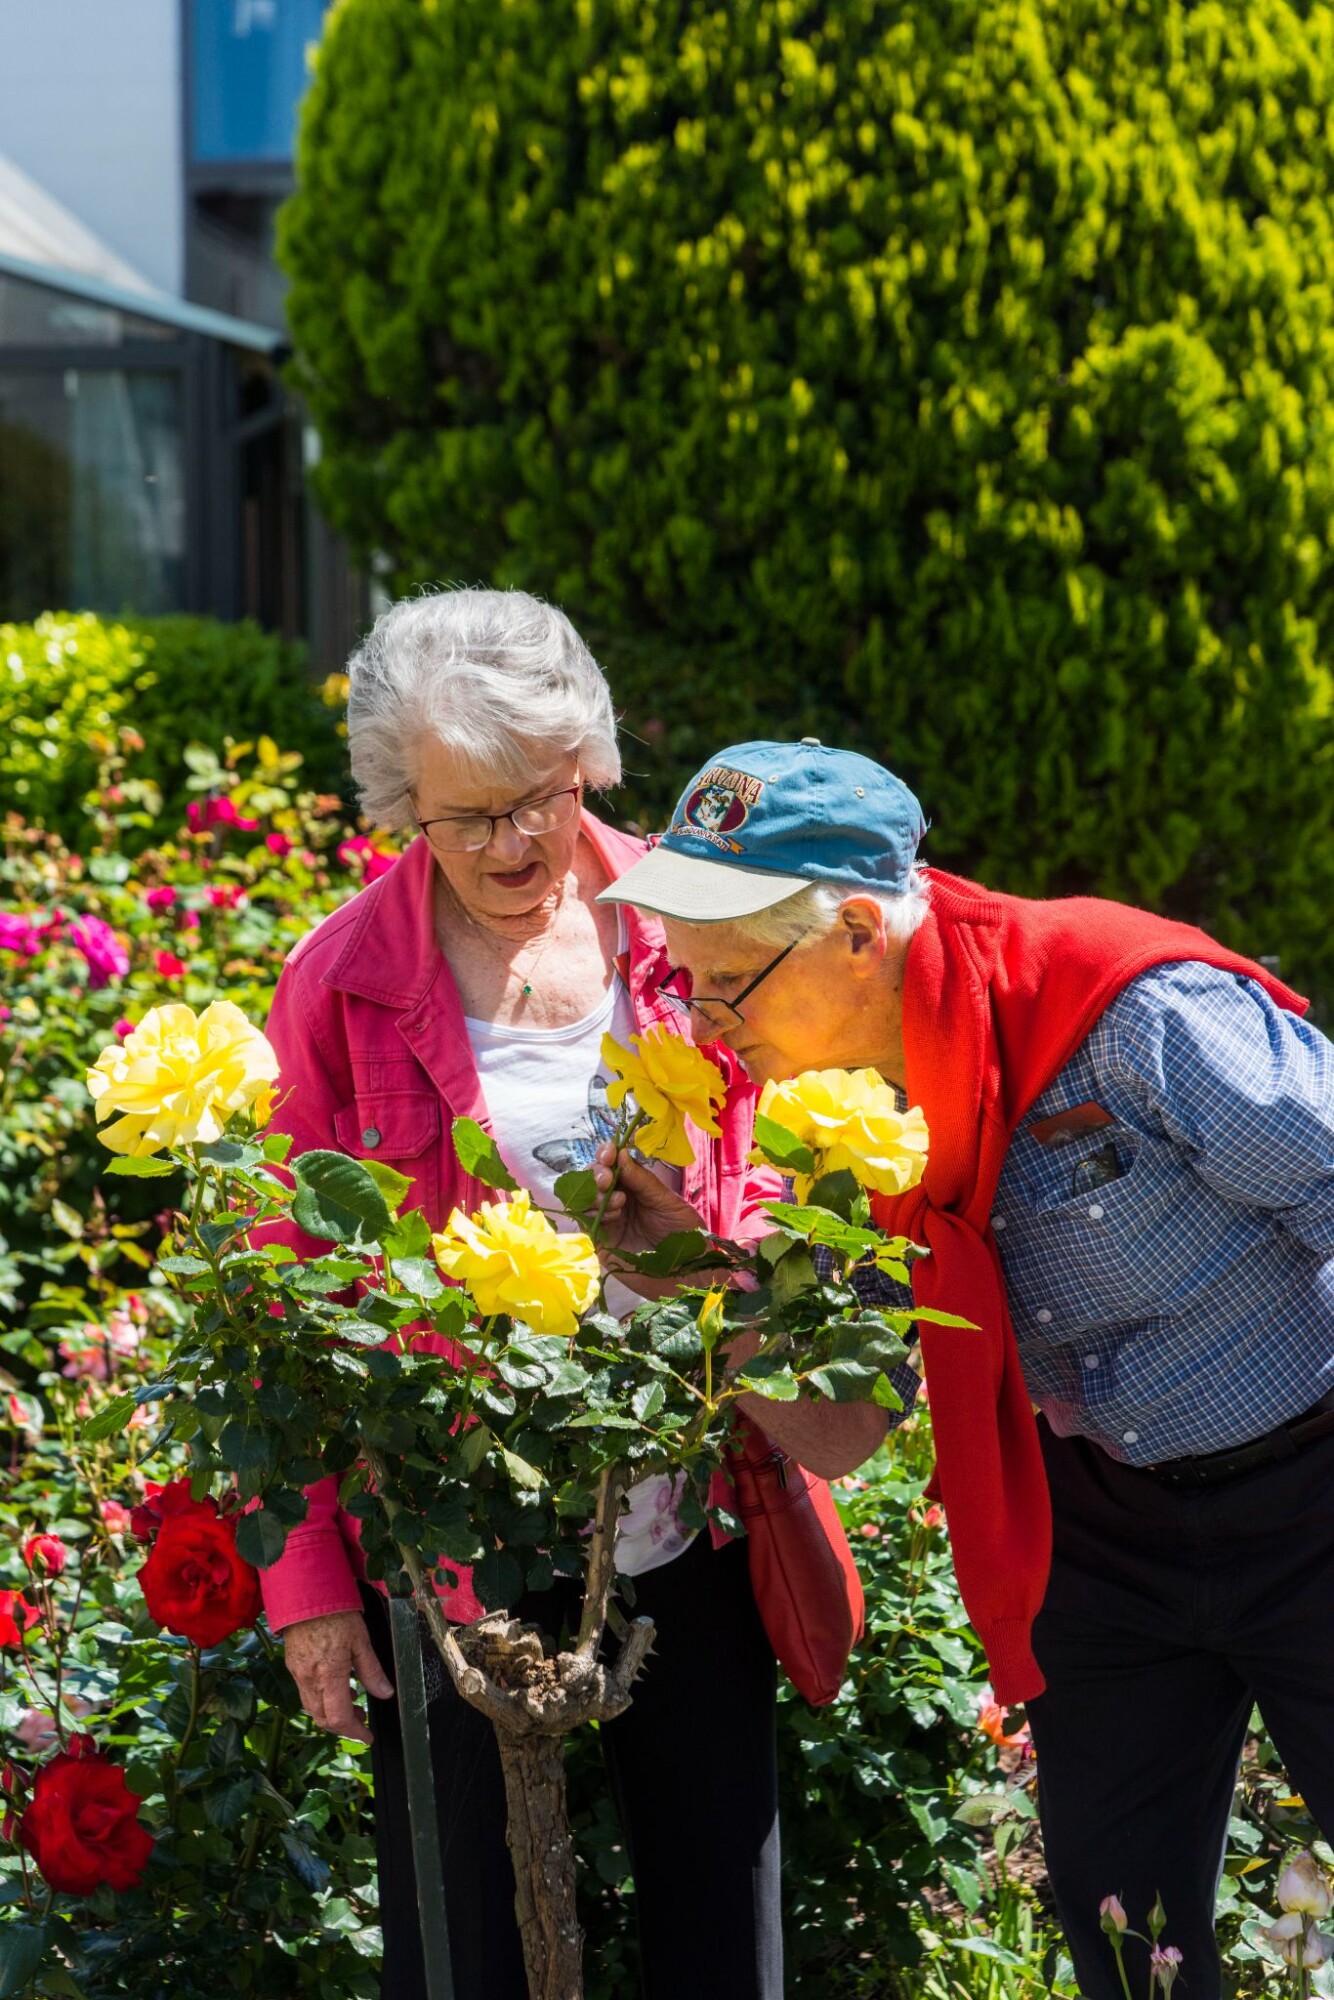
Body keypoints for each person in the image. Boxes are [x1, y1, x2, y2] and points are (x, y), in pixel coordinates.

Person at [600, 736, 1334, 2000]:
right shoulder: (827, 1117)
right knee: (1125, 1933)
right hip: (1101, 1529)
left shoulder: (1122, 1008)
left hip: (1311, 1489)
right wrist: (695, 1284)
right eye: (689, 977)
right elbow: (837, 1431)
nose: (705, 1018)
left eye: (729, 981)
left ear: (856, 938)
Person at [258, 597, 871, 2000]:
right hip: (452, 1528)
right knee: (464, 1942)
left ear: (587, 765)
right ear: (402, 804)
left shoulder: (681, 924)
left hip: (692, 1506)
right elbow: (290, 1304)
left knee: (727, 1927)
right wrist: (306, 1586)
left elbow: (783, 1172)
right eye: (467, 816)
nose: (517, 845)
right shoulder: (340, 984)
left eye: (541, 796)